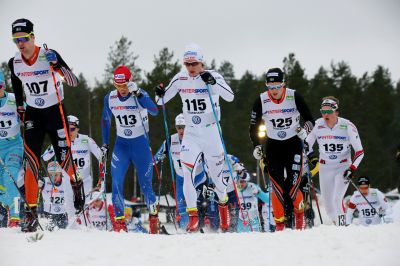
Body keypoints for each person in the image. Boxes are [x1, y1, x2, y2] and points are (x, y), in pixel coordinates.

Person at [8, 18, 83, 232]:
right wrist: (21, 108)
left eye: (23, 38)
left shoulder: (48, 54)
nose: (20, 44)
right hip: (34, 114)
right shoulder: (14, 62)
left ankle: (75, 184)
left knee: (64, 158)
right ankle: (30, 213)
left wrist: (57, 65)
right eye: (16, 40)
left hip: (55, 112)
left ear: (33, 37)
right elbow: (16, 84)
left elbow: (73, 81)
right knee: (30, 160)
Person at [155, 43, 234, 232]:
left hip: (211, 131)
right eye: (187, 64)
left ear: (201, 62)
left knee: (216, 177)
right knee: (186, 172)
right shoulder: (181, 78)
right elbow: (161, 101)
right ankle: (193, 216)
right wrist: (158, 94)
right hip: (191, 132)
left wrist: (213, 83)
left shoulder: (213, 75)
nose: (191, 68)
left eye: (194, 64)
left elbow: (230, 96)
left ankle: (223, 204)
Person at [249, 67, 315, 231]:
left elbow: (310, 120)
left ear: (283, 84)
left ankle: (299, 220)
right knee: (277, 189)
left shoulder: (294, 96)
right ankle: (279, 226)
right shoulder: (261, 100)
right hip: (273, 146)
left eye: (278, 86)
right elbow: (253, 126)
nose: (274, 91)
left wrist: (304, 131)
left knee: (292, 189)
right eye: (271, 87)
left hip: (293, 145)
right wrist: (256, 144)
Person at [102, 65, 159, 233]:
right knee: (117, 181)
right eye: (118, 86)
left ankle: (154, 218)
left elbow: (154, 110)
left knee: (145, 184)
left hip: (140, 145)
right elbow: (106, 120)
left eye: (125, 85)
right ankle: (119, 223)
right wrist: (105, 144)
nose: (122, 89)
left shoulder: (138, 94)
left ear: (130, 81)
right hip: (122, 145)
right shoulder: (110, 98)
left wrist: (139, 93)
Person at [305, 96, 364, 225]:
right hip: (325, 168)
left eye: (329, 112)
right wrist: (313, 159)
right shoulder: (317, 125)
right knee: (328, 206)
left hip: (343, 166)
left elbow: (360, 151)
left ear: (336, 112)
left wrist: (351, 169)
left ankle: (342, 226)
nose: (325, 115)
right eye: (323, 111)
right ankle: (338, 224)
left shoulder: (347, 125)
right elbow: (306, 145)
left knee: (337, 199)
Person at [155, 113, 206, 229]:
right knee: (181, 204)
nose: (181, 130)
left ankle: (201, 227)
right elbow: (157, 156)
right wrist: (155, 159)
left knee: (196, 202)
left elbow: (206, 158)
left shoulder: (196, 139)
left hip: (197, 177)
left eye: (184, 127)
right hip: (180, 178)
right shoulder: (171, 140)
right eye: (179, 127)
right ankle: (185, 229)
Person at [42, 115, 102, 196]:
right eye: (66, 130)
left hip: (85, 180)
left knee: (85, 206)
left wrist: (101, 178)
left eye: (72, 129)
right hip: (67, 181)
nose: (69, 132)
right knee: (70, 207)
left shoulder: (86, 140)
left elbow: (101, 157)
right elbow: (45, 158)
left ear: (78, 129)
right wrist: (54, 146)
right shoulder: (60, 141)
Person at [0, 70, 24, 227]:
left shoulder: (13, 100)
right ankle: (6, 204)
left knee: (11, 177)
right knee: (2, 183)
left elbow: (29, 115)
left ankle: (15, 218)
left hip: (14, 145)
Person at [39, 161, 73, 230]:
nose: (53, 177)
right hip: (48, 214)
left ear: (60, 173)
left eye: (56, 175)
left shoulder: (66, 181)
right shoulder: (44, 181)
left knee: (63, 234)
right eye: (51, 175)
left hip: (63, 214)